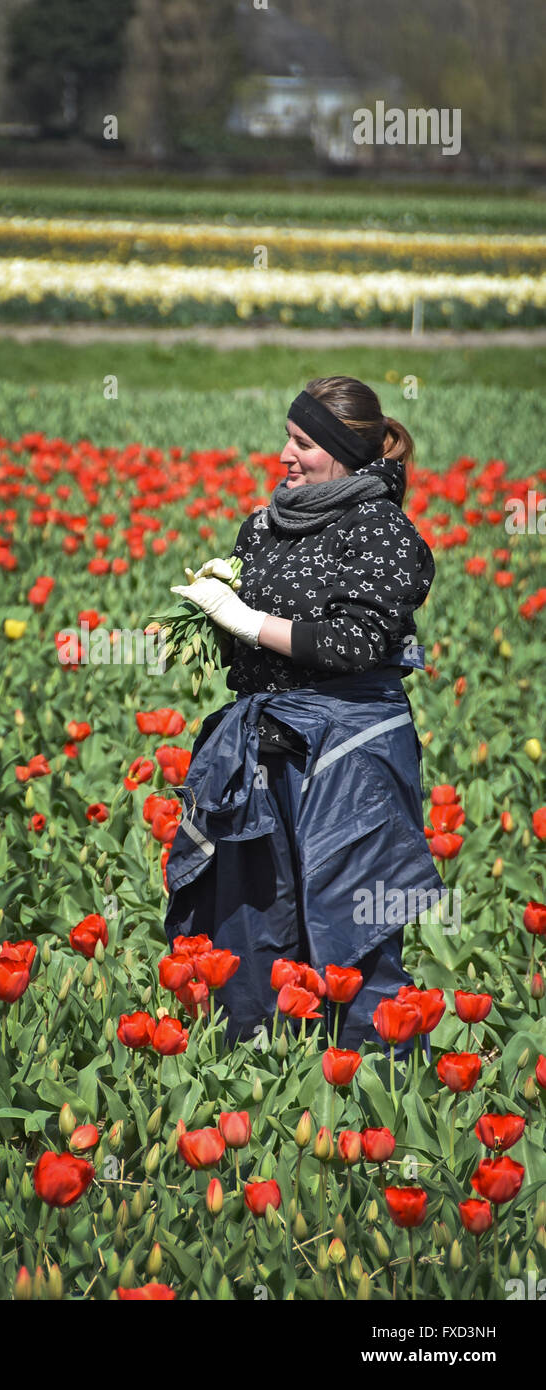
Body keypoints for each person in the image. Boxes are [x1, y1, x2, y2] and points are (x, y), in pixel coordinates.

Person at [162, 376, 444, 1062]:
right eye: (287, 438)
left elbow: (356, 643)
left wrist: (250, 621)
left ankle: (375, 1098)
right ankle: (262, 1089)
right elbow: (253, 656)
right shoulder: (263, 523)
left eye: (303, 443)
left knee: (352, 936)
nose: (285, 456)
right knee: (253, 929)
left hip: (349, 759)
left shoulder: (381, 529)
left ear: (345, 452)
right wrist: (222, 608)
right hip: (263, 753)